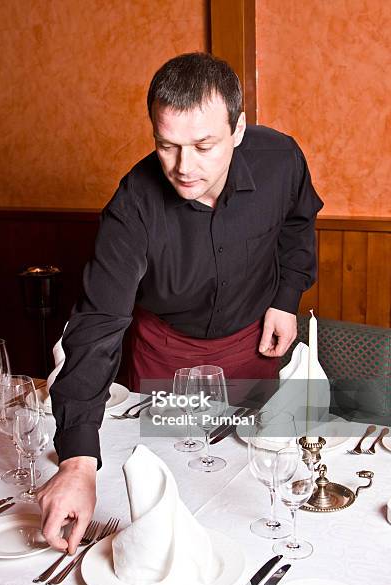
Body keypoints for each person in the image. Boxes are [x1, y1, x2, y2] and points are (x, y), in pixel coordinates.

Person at [37, 52, 323, 552]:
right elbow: (98, 325)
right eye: (166, 146)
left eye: (204, 145)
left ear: (238, 128)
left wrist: (286, 296)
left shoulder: (281, 159)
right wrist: (78, 461)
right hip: (164, 353)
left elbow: (298, 222)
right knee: (174, 495)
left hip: (253, 345)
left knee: (255, 484)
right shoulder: (133, 205)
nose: (183, 168)